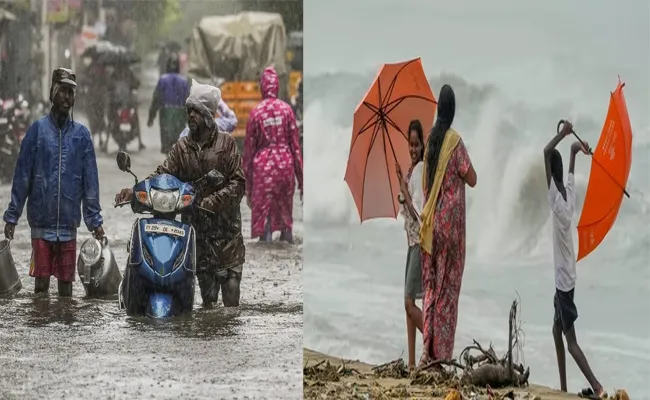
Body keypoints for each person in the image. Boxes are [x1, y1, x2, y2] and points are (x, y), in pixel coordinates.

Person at [115, 80, 245, 308]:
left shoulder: (227, 144)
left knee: (231, 297)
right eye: (189, 111)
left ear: (207, 114)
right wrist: (136, 191)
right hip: (198, 235)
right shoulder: (182, 147)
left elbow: (238, 183)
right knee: (208, 302)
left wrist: (211, 202)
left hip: (227, 235)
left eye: (195, 111)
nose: (190, 115)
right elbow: (162, 173)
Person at [2, 68, 105, 297]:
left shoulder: (82, 136)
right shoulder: (37, 131)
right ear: (52, 93)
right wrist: (12, 216)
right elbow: (22, 177)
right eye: (62, 91)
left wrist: (95, 221)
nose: (67, 98)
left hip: (68, 227)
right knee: (40, 289)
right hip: (40, 225)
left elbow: (90, 185)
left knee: (66, 291)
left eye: (71, 92)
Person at [543, 121, 606, 399]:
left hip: (563, 281)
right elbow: (566, 169)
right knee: (556, 330)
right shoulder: (568, 195)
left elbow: (546, 151)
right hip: (567, 277)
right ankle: (564, 389)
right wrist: (574, 150)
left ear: (550, 174)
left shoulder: (556, 202)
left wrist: (563, 134)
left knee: (570, 342)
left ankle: (598, 387)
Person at [418, 84, 477, 366]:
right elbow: (472, 177)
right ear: (452, 111)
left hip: (431, 227)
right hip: (451, 228)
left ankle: (427, 350)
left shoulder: (430, 142)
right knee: (448, 290)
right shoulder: (454, 141)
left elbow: (427, 184)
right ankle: (441, 356)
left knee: (431, 287)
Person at [243, 66, 303, 243]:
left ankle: (266, 240)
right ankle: (287, 238)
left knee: (265, 218)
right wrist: (302, 181)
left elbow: (248, 153)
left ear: (262, 87)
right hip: (286, 165)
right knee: (286, 214)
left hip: (263, 170)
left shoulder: (256, 113)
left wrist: (248, 186)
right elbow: (296, 149)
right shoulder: (287, 111)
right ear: (277, 86)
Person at [395, 119, 426, 368]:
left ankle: (435, 342)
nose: (413, 148)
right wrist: (401, 183)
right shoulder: (411, 170)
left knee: (408, 302)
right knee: (409, 303)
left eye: (416, 144)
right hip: (410, 242)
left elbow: (419, 211)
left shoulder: (421, 169)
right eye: (410, 144)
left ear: (423, 143)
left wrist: (404, 190)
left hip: (419, 243)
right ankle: (413, 362)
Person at [148, 53, 189, 153]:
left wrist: (151, 116)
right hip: (180, 114)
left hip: (166, 114)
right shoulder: (184, 81)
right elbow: (188, 100)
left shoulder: (162, 80)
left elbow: (156, 99)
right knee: (180, 141)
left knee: (167, 143)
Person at [107, 61, 144, 151]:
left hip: (121, 102)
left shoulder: (115, 74)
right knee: (134, 117)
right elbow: (137, 84)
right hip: (125, 102)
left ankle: (105, 142)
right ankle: (140, 142)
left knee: (111, 119)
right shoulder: (129, 73)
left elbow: (108, 86)